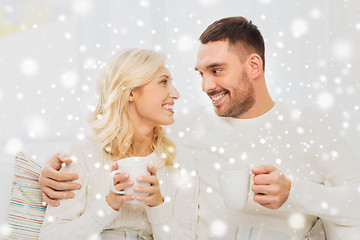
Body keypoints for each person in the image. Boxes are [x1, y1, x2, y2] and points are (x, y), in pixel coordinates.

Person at [39, 17, 360, 240]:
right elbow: (122, 134)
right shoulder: (184, 130)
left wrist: (294, 192)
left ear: (254, 66)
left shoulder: (309, 125)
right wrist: (48, 169)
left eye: (216, 70)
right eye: (200, 73)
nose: (206, 86)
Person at [38, 48, 199, 240]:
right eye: (163, 82)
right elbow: (50, 237)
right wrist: (108, 206)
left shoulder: (181, 161)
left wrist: (157, 205)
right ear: (131, 92)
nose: (176, 93)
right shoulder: (82, 155)